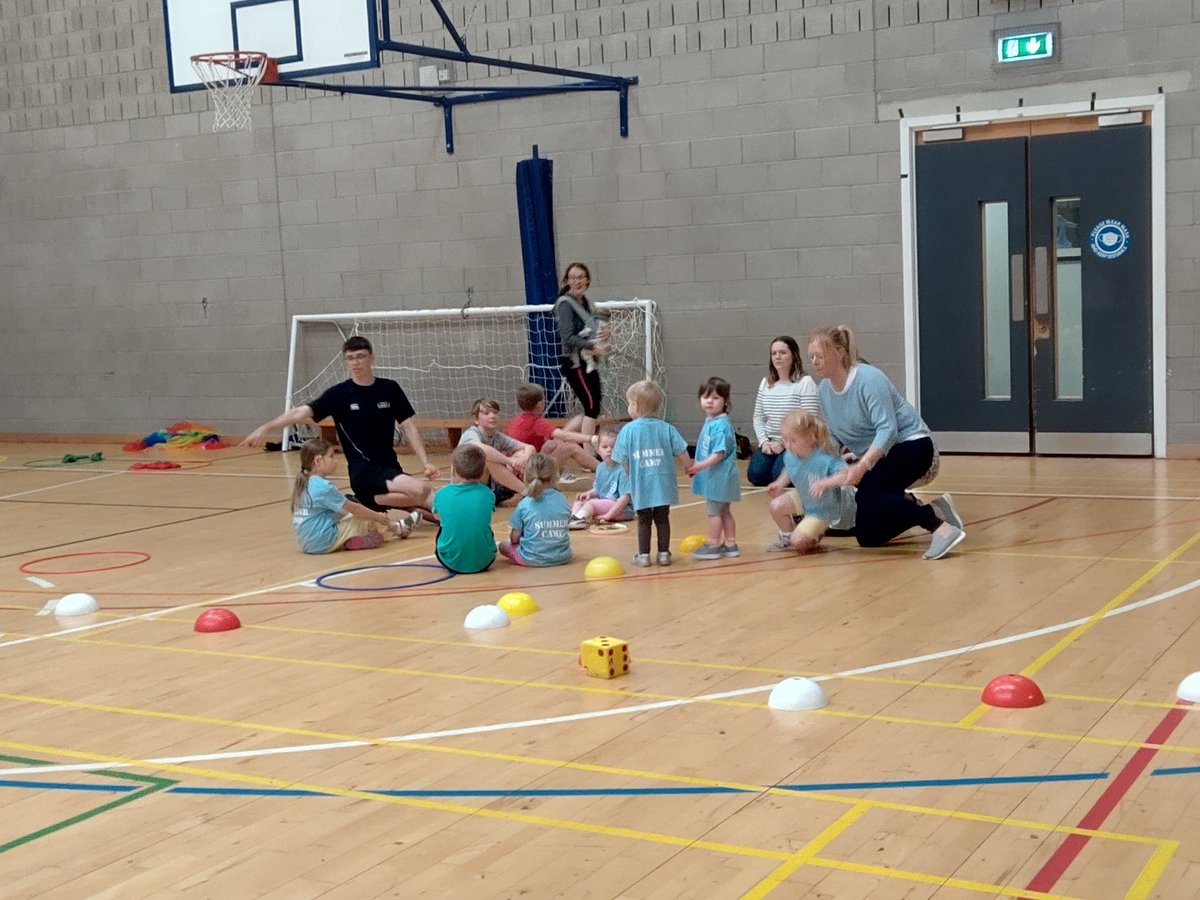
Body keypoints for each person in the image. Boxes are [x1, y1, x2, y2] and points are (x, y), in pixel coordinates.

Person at [807, 325, 965, 560]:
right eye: (811, 357)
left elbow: (888, 430)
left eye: (820, 356)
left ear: (839, 353)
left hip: (912, 445)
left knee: (867, 493)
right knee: (869, 535)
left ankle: (940, 528)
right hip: (879, 457)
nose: (814, 362)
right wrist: (823, 463)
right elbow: (835, 436)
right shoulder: (824, 391)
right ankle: (932, 509)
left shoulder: (869, 378)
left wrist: (862, 465)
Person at [240, 336, 439, 518]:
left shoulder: (389, 388)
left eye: (360, 357)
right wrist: (264, 428)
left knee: (438, 512)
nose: (355, 362)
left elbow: (409, 426)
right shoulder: (339, 394)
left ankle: (380, 503)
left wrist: (425, 463)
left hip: (391, 467)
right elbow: (299, 413)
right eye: (350, 358)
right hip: (364, 472)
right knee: (423, 491)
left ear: (372, 358)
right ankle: (372, 500)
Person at [291, 438, 421, 554]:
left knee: (352, 512)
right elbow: (355, 509)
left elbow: (340, 511)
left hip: (306, 542)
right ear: (318, 460)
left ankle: (350, 540)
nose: (336, 461)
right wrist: (377, 516)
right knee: (364, 515)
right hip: (322, 540)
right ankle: (399, 528)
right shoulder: (323, 487)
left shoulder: (305, 481)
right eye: (331, 457)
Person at [612, 380, 690, 568]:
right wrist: (688, 467)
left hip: (641, 484)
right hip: (663, 484)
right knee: (663, 518)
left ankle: (644, 555)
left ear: (636, 405)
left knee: (644, 520)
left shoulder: (627, 431)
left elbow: (622, 459)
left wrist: (630, 474)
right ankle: (664, 554)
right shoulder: (667, 428)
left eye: (629, 403)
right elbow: (683, 451)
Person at [765, 411, 857, 554]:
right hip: (806, 497)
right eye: (785, 440)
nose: (787, 445)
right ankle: (787, 536)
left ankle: (814, 533)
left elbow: (845, 475)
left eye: (792, 440)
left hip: (825, 508)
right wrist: (780, 483)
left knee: (799, 543)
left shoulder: (825, 457)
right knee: (776, 506)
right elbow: (788, 470)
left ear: (810, 438)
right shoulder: (790, 455)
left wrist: (825, 483)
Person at [748, 336, 821, 486]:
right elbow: (758, 417)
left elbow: (810, 421)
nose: (777, 357)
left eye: (783, 352)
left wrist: (784, 443)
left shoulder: (805, 383)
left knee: (779, 476)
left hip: (795, 443)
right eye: (774, 353)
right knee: (755, 476)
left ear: (794, 355)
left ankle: (806, 465)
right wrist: (763, 442)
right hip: (770, 442)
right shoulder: (766, 383)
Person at [685, 377, 741, 560]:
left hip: (719, 478)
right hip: (718, 478)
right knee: (724, 511)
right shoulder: (712, 422)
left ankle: (714, 543)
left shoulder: (720, 426)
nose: (709, 401)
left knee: (714, 512)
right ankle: (731, 544)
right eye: (705, 396)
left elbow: (719, 454)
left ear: (726, 401)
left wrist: (699, 466)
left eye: (716, 397)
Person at [553, 262, 607, 438]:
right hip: (574, 362)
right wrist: (593, 345)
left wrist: (602, 334)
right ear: (567, 281)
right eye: (572, 277)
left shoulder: (585, 302)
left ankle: (558, 440)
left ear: (588, 280)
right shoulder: (565, 304)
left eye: (580, 277)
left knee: (593, 406)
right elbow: (568, 337)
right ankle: (588, 452)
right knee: (591, 406)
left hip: (587, 360)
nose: (576, 281)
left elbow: (589, 330)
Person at [506, 383, 599, 485]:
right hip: (532, 471)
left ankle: (587, 458)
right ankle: (604, 469)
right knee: (571, 447)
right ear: (539, 403)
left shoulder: (515, 421)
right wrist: (591, 438)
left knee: (575, 423)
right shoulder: (537, 423)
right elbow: (563, 435)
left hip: (524, 464)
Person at [498, 453, 573, 567]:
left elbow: (514, 538)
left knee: (503, 546)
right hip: (562, 556)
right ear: (554, 477)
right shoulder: (563, 498)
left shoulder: (524, 503)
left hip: (531, 558)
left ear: (526, 477)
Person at [432, 443, 497, 574]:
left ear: (453, 470)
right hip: (486, 561)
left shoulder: (441, 494)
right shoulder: (488, 494)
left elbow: (437, 517)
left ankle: (454, 551)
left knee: (443, 526)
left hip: (450, 562)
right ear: (484, 471)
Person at [458, 397, 534, 504]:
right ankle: (528, 492)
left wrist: (523, 459)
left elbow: (530, 447)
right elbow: (483, 451)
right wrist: (510, 461)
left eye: (495, 412)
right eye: (486, 413)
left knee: (521, 454)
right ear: (475, 419)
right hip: (468, 491)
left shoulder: (497, 436)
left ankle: (528, 489)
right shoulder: (470, 434)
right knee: (487, 459)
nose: (492, 416)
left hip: (492, 489)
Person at [569, 426, 633, 529]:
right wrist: (589, 493)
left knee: (592, 504)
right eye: (605, 447)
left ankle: (579, 519)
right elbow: (599, 489)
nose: (609, 450)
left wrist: (608, 516)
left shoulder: (622, 469)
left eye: (614, 447)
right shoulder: (600, 468)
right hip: (606, 503)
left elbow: (625, 497)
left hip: (622, 509)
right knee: (580, 501)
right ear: (598, 450)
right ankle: (573, 518)